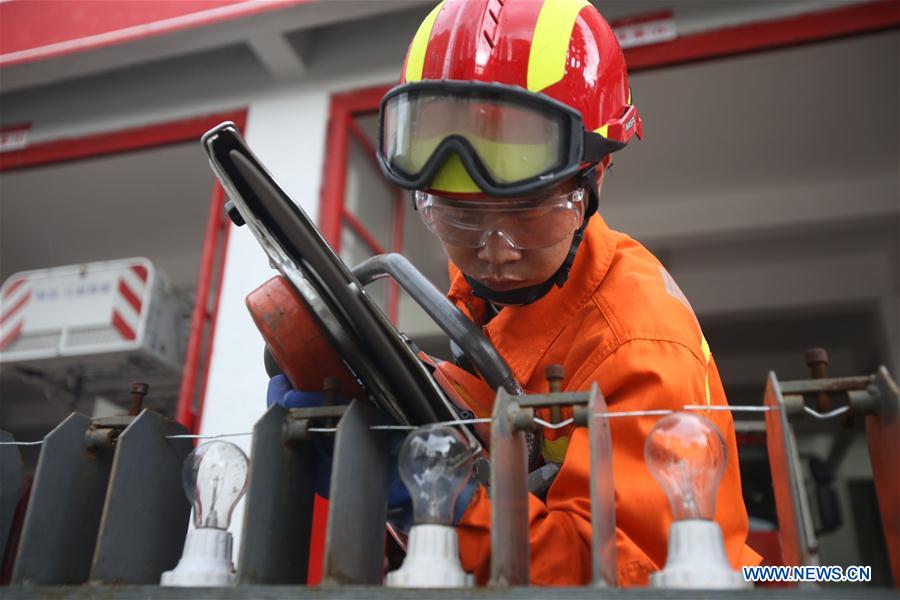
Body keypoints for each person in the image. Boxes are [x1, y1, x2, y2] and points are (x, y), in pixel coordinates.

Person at [268, 0, 762, 587]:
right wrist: (401, 388)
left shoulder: (636, 342)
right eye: (459, 219)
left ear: (593, 180)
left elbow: (623, 576)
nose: (495, 252)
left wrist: (439, 501)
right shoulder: (489, 300)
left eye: (529, 216)